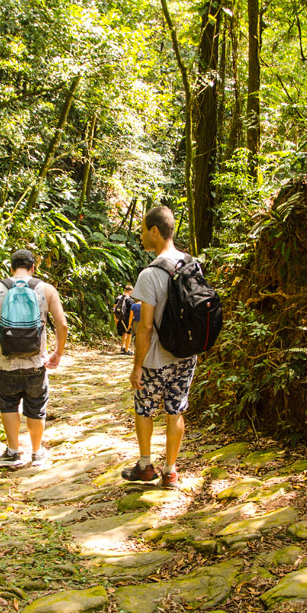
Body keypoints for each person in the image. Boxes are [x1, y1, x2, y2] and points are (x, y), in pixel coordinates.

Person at [122, 205, 197, 489]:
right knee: (175, 410)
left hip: (155, 358)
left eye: (143, 230)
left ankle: (145, 466)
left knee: (144, 409)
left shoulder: (149, 274)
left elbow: (146, 327)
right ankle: (170, 471)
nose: (141, 236)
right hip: (185, 354)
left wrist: (136, 366)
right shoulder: (192, 263)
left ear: (154, 231)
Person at [0, 249, 68, 468]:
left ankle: (13, 452)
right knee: (36, 406)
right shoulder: (46, 289)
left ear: (11, 268)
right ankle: (37, 453)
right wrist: (58, 353)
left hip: (5, 362)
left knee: (8, 404)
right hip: (37, 362)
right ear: (33, 267)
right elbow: (62, 324)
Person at [113, 285, 135, 354]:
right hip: (127, 318)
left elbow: (114, 309)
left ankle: (123, 346)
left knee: (123, 332)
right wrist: (131, 322)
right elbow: (132, 312)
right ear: (130, 291)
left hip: (120, 318)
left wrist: (115, 319)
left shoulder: (118, 298)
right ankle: (126, 350)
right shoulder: (130, 300)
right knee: (129, 333)